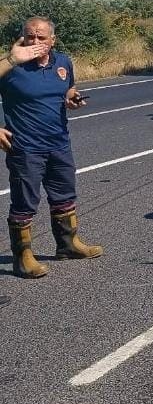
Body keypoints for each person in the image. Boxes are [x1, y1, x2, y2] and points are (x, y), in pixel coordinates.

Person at [1, 17, 102, 279]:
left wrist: (72, 98)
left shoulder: (63, 62)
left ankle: (68, 245)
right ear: (22, 37)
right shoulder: (10, 65)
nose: (35, 42)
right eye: (30, 37)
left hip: (58, 142)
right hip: (25, 146)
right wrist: (13, 58)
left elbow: (68, 88)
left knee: (64, 195)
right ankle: (23, 258)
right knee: (25, 203)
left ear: (52, 40)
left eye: (41, 38)